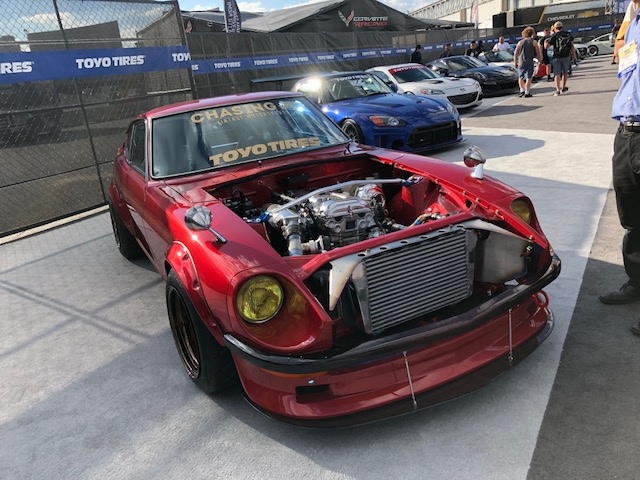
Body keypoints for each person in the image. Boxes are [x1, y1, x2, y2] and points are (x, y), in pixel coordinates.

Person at [600, 0, 640, 337]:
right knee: (632, 218)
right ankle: (637, 283)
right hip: (627, 132)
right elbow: (619, 55)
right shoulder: (634, 22)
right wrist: (629, 18)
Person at [545, 21, 573, 96]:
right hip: (566, 56)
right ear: (562, 27)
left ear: (555, 28)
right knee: (565, 72)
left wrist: (545, 41)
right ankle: (563, 87)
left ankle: (557, 90)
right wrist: (574, 56)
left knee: (557, 73)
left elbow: (546, 46)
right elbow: (572, 45)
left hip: (556, 56)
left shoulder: (554, 35)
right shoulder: (568, 34)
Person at [513, 26, 542, 97]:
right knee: (529, 77)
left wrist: (515, 62)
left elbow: (516, 53)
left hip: (521, 61)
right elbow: (538, 53)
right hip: (529, 61)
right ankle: (527, 92)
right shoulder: (534, 42)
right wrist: (539, 60)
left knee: (520, 76)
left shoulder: (520, 42)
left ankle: (521, 90)